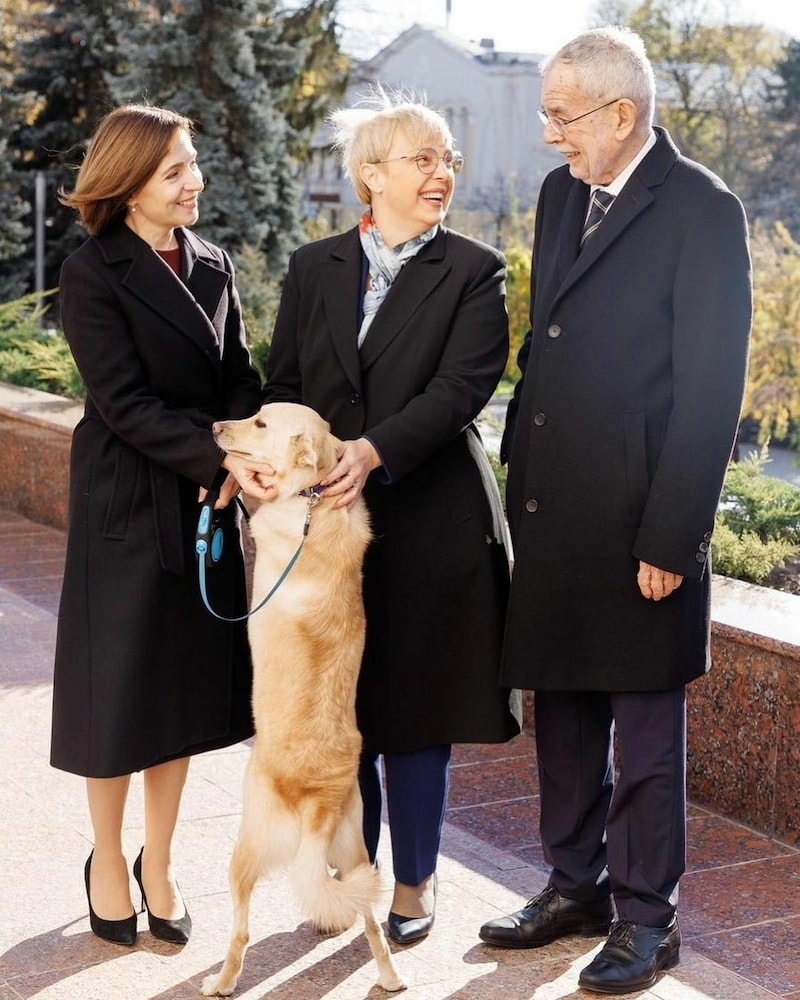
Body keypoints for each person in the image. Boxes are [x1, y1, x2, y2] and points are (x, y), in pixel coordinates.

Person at [477, 27, 752, 995]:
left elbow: (713, 386)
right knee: (561, 711)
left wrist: (673, 532)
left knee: (640, 734)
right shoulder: (560, 196)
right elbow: (549, 337)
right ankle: (572, 884)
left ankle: (646, 918)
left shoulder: (700, 211)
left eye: (562, 117)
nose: (550, 136)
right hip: (554, 503)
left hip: (642, 519)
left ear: (620, 113)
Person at [263, 89, 521, 945]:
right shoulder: (313, 268)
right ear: (371, 175)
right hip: (330, 537)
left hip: (430, 523)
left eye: (447, 158)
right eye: (422, 158)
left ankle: (416, 882)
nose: (441, 172)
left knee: (416, 713)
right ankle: (351, 871)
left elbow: (461, 390)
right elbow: (286, 386)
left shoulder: (476, 270)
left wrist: (370, 450)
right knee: (345, 711)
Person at [50, 104, 275, 947]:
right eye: (177, 169)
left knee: (178, 693)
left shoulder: (213, 264)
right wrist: (218, 461)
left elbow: (240, 380)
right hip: (126, 499)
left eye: (195, 165)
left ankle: (160, 862)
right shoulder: (93, 270)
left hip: (205, 498)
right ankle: (108, 859)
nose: (196, 183)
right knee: (118, 694)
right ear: (131, 179)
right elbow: (123, 403)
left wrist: (249, 449)